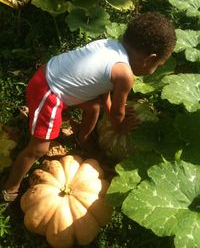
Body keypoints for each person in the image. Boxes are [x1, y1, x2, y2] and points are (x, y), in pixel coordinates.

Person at [1, 12, 176, 204]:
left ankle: (82, 139)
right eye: (159, 65)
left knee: (93, 107)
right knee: (38, 148)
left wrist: (110, 113)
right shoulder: (125, 75)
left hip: (47, 74)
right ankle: (10, 187)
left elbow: (104, 93)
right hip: (49, 93)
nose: (156, 68)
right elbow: (118, 112)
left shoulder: (110, 46)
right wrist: (119, 127)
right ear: (150, 59)